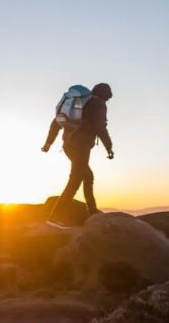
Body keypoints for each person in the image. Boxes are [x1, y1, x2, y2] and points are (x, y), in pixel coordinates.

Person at [41, 83, 114, 228]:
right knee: (75, 180)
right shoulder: (98, 104)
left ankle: (92, 211)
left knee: (87, 176)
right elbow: (100, 127)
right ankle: (55, 217)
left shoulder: (79, 102)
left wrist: (48, 143)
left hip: (68, 146)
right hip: (81, 147)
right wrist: (109, 147)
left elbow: (56, 121)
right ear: (105, 96)